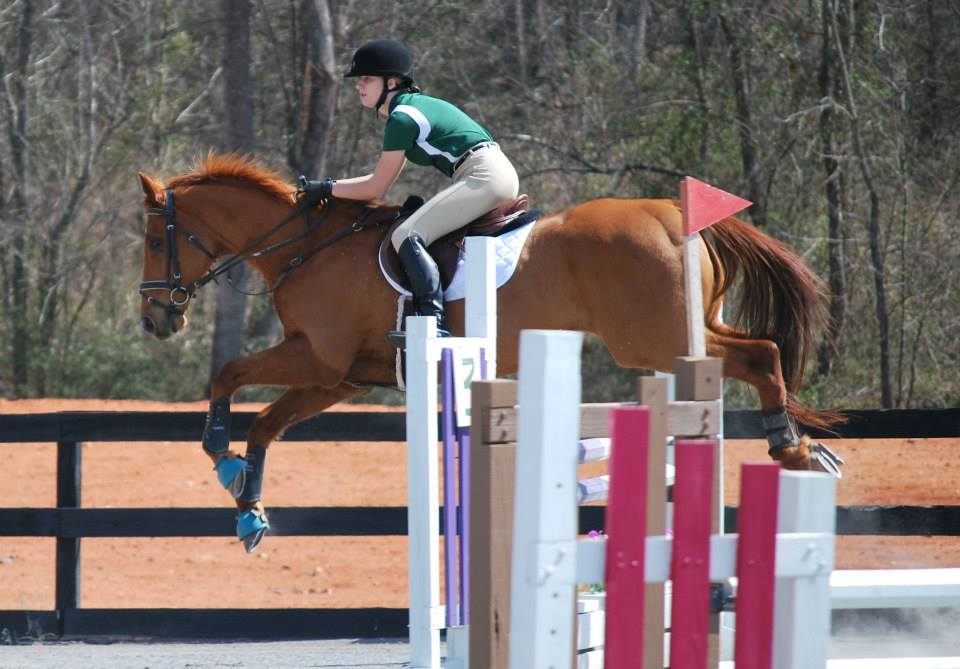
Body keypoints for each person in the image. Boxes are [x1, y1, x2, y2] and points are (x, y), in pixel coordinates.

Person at [300, 39, 520, 342]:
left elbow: (376, 186)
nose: (359, 85)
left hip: (484, 176)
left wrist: (326, 189)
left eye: (367, 79)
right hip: (490, 172)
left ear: (391, 82)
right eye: (359, 80)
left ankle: (434, 324)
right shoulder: (412, 109)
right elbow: (380, 181)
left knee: (406, 234)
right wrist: (328, 188)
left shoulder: (402, 119)